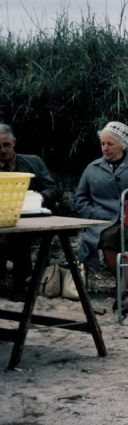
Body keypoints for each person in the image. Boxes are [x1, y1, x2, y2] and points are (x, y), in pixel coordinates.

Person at [73, 121, 128, 290]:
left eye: (110, 144)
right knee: (108, 238)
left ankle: (123, 288)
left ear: (122, 146)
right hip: (103, 221)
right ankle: (126, 287)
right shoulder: (92, 168)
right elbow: (80, 198)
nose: (105, 148)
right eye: (102, 144)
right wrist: (93, 214)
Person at [0, 123, 61, 300]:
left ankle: (19, 284)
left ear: (14, 143)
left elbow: (54, 189)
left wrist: (36, 198)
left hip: (30, 218)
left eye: (6, 145)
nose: (3, 150)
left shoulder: (32, 162)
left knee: (19, 233)